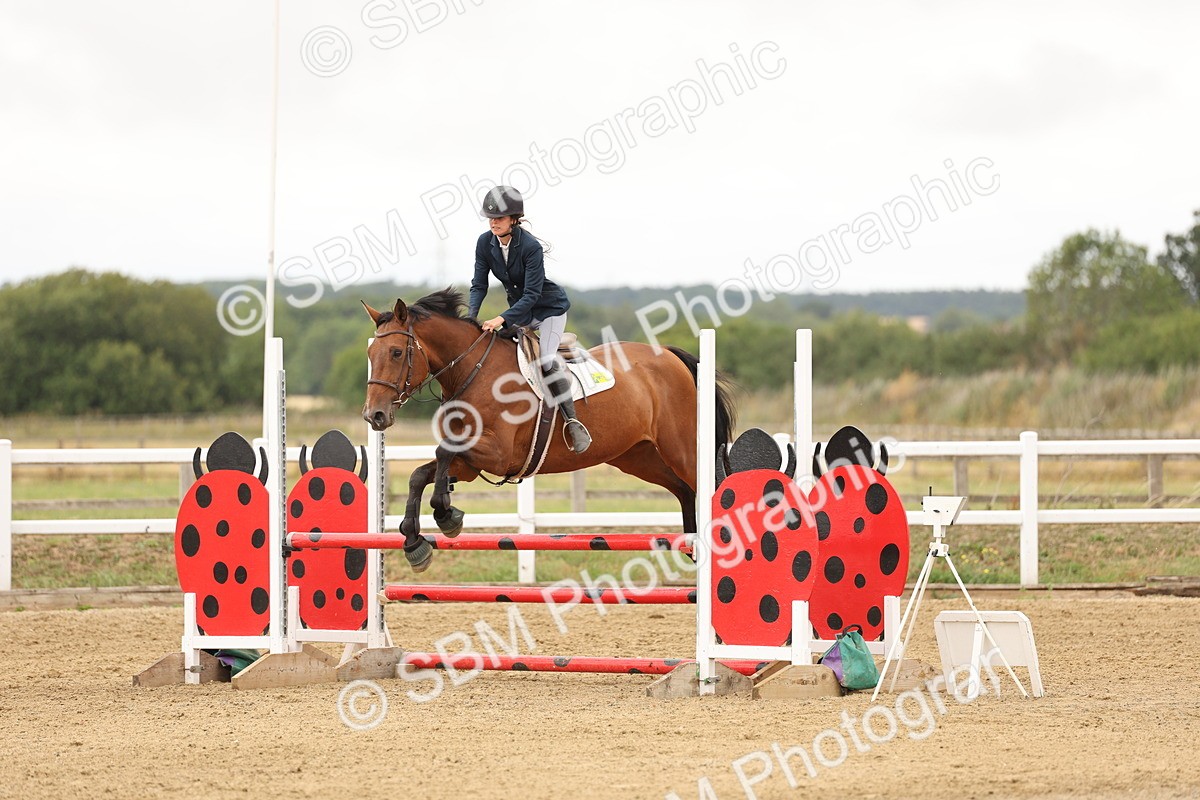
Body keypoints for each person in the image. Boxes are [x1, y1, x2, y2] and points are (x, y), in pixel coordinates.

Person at [467, 186, 592, 453]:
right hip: (520, 312)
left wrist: (501, 318)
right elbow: (478, 285)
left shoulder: (530, 247)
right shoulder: (484, 243)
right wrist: (470, 318)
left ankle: (572, 421)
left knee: (546, 360)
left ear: (514, 218)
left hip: (548, 310)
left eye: (499, 218)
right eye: (490, 218)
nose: (493, 222)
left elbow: (533, 294)